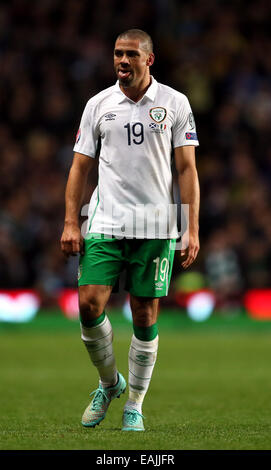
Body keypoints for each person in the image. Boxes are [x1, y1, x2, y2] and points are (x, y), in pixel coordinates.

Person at [60, 29, 200, 432]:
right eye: (117, 54)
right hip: (105, 220)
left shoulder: (175, 103)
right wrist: (71, 221)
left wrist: (191, 227)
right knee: (89, 304)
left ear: (148, 60)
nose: (122, 60)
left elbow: (187, 168)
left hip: (155, 223)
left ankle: (134, 404)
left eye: (130, 55)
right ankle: (109, 383)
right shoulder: (98, 104)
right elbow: (80, 167)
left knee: (144, 313)